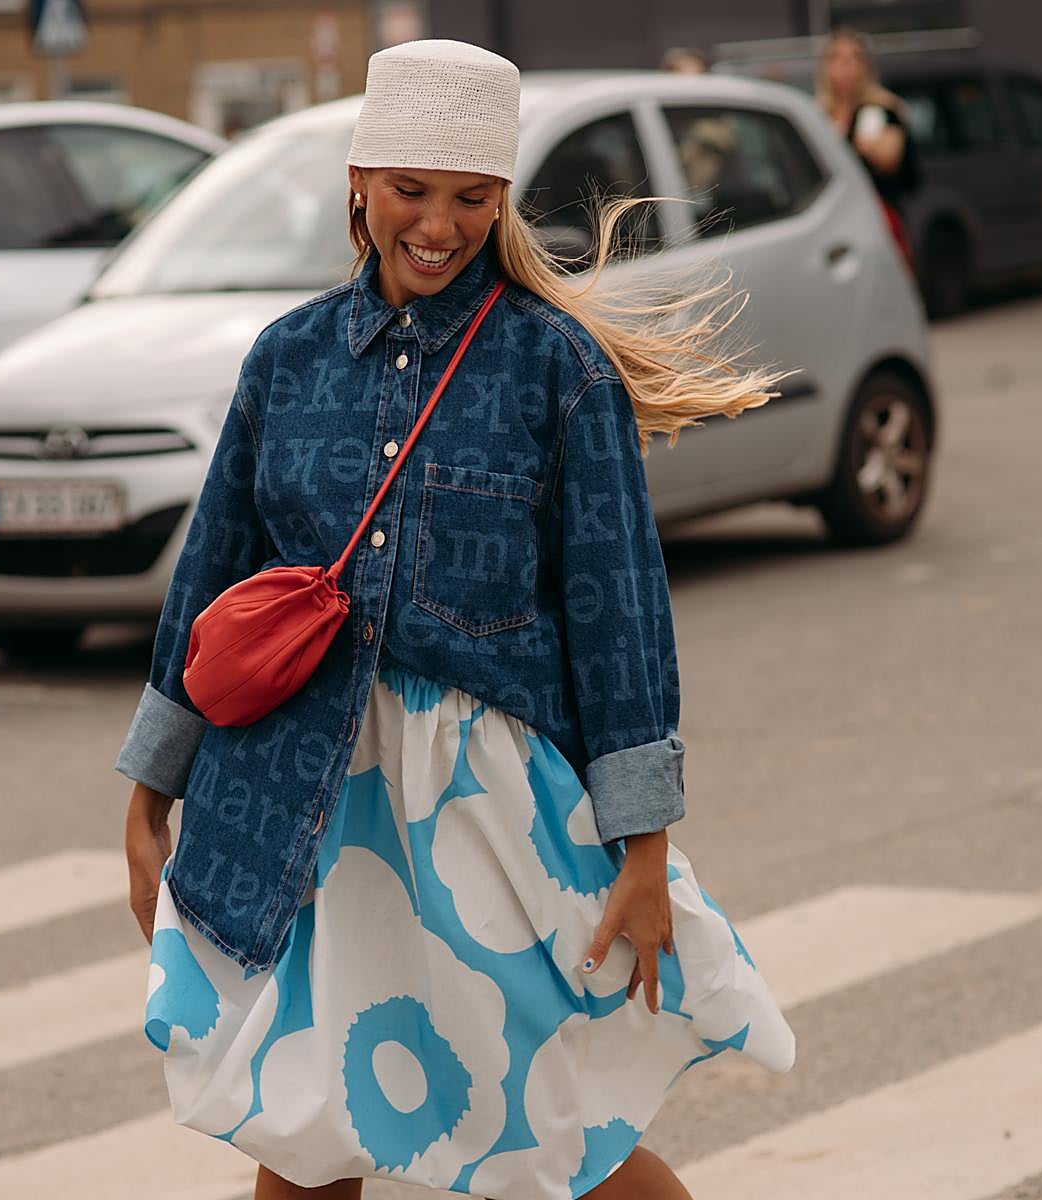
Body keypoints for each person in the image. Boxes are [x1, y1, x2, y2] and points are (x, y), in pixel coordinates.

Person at [117, 38, 796, 1200]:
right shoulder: (285, 363)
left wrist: (645, 851)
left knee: (554, 1136)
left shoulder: (557, 370)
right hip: (305, 808)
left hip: (487, 821)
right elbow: (210, 584)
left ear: (503, 199)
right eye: (411, 193)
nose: (438, 224)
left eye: (472, 199)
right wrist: (149, 788)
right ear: (361, 186)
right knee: (304, 1131)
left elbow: (619, 618)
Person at [817, 27, 920, 262]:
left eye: (854, 59)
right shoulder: (818, 115)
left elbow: (907, 174)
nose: (847, 68)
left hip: (875, 219)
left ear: (866, 66)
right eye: (839, 59)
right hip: (831, 225)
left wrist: (882, 151)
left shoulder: (882, 111)